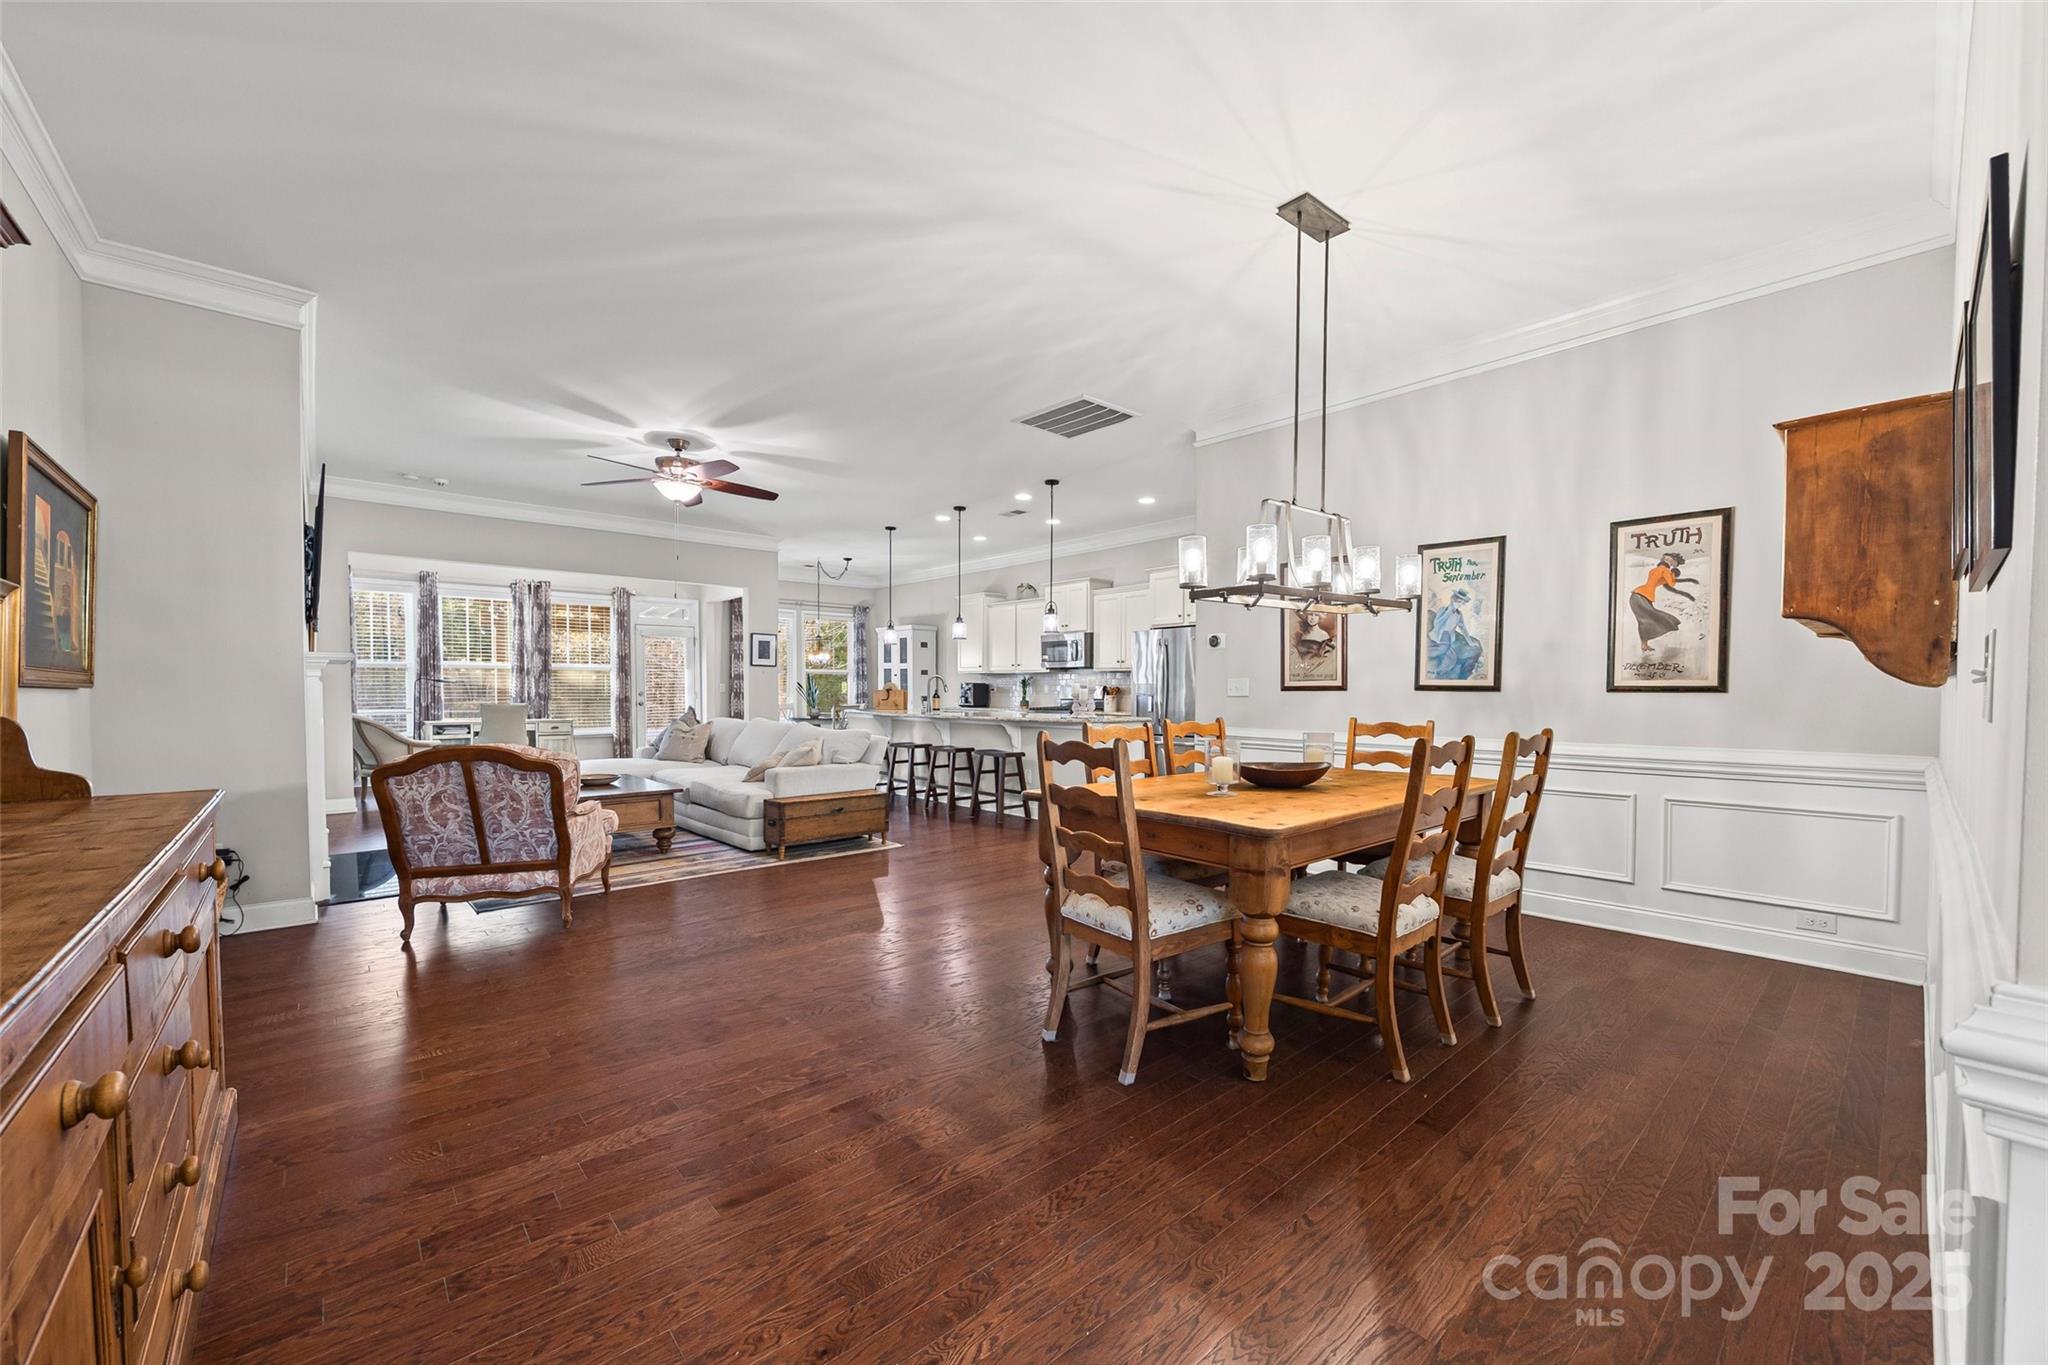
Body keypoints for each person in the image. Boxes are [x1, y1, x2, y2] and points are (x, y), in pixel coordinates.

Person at [1629, 551, 1699, 654]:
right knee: (1651, 618)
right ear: (1671, 560)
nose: (1676, 565)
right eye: (1676, 563)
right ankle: (1646, 643)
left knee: (1644, 621)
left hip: (1636, 596)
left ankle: (1644, 645)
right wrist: (1673, 574)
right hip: (1642, 596)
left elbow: (1660, 582)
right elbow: (1671, 584)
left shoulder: (1654, 570)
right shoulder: (1665, 571)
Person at [1427, 587, 1483, 680]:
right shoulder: (1443, 610)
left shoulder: (1458, 614)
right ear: (1453, 599)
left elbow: (1463, 628)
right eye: (1459, 601)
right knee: (1443, 650)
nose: (1460, 604)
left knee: (1455, 654)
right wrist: (1449, 611)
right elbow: (1437, 623)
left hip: (1450, 637)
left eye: (1462, 602)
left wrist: (1470, 642)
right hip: (1440, 636)